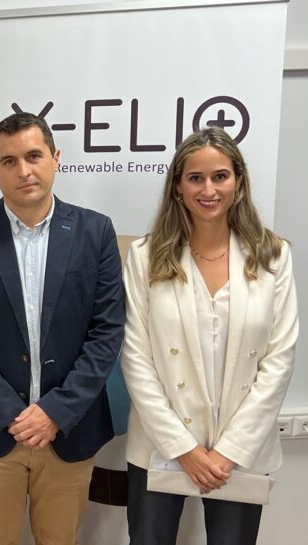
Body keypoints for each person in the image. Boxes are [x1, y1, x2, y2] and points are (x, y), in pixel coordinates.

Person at [0, 111, 126, 545]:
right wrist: (12, 413)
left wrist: (55, 412)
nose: (23, 170)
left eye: (34, 156)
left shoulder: (95, 231)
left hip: (69, 430)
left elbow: (106, 332)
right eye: (9, 161)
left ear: (56, 158)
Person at [121, 127, 298, 545]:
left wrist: (228, 451)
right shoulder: (145, 257)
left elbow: (280, 359)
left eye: (220, 176)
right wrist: (183, 448)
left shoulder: (273, 256)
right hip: (161, 445)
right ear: (178, 187)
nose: (209, 189)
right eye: (195, 178)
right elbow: (136, 358)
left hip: (241, 450)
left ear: (239, 182)